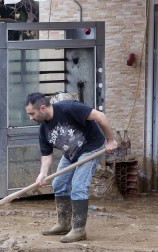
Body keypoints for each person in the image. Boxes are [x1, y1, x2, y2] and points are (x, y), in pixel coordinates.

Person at [24, 92, 118, 243]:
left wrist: (111, 140)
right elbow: (47, 155)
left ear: (42, 108)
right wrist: (42, 174)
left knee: (79, 186)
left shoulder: (69, 108)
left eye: (32, 114)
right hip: (71, 153)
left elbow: (100, 116)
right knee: (58, 184)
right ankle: (64, 224)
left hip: (91, 148)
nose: (31, 118)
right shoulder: (43, 129)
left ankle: (79, 230)